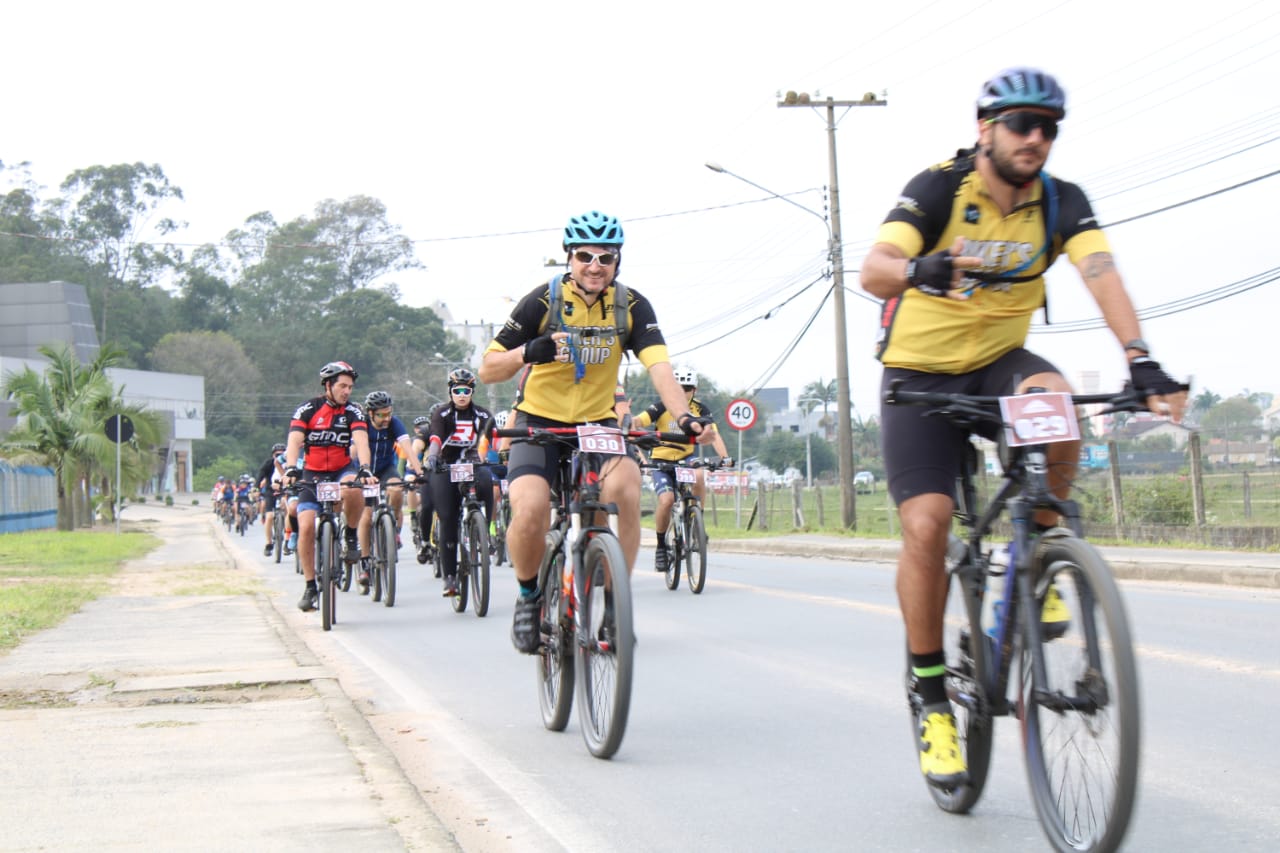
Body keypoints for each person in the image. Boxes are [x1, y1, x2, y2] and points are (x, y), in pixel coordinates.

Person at [859, 67, 1188, 789]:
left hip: (1000, 362)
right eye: (1022, 124)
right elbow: (874, 269)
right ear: (986, 130)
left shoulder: (1061, 201)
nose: (1036, 137)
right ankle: (932, 696)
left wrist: (1141, 360)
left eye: (1049, 127)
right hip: (918, 376)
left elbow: (1101, 272)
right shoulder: (940, 186)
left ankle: (1040, 557)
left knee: (1060, 402)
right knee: (928, 524)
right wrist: (924, 266)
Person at [478, 210, 716, 655]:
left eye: (605, 257)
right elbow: (488, 369)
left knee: (625, 487)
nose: (594, 265)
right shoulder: (542, 301)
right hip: (539, 421)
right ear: (569, 259)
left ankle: (613, 605)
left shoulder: (631, 306)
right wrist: (529, 351)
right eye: (584, 255)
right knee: (529, 509)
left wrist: (684, 418)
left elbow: (660, 367)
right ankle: (529, 596)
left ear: (617, 262)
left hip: (597, 424)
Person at [283, 361, 378, 612]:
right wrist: (292, 467)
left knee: (352, 487)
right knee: (304, 526)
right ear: (328, 385)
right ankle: (310, 585)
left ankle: (350, 533)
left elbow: (361, 440)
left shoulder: (354, 412)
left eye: (350, 387)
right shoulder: (307, 409)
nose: (347, 391)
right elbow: (294, 441)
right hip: (312, 474)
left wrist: (365, 467)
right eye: (342, 386)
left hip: (341, 470)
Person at [632, 368, 731, 572]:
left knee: (699, 475)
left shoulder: (700, 410)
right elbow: (638, 422)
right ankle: (661, 546)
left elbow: (713, 434)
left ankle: (697, 523)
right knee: (667, 500)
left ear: (694, 390)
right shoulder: (660, 407)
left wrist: (724, 458)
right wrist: (633, 428)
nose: (683, 392)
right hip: (661, 461)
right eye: (679, 388)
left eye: (687, 389)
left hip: (686, 459)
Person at [423, 368, 495, 597]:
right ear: (450, 392)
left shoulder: (483, 415)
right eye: (457, 390)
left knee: (487, 482)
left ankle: (486, 531)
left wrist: (502, 454)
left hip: (472, 464)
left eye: (466, 390)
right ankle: (450, 577)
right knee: (448, 517)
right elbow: (435, 438)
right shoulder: (442, 414)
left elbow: (491, 439)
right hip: (446, 465)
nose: (462, 395)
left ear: (472, 391)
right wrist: (433, 456)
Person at [357, 390, 425, 591]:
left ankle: (392, 527)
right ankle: (365, 562)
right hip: (364, 469)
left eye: (388, 413)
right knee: (367, 516)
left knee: (396, 490)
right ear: (370, 413)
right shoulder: (361, 424)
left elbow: (408, 448)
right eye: (381, 415)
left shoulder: (394, 423)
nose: (386, 418)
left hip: (386, 468)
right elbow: (354, 450)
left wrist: (419, 472)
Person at [256, 442, 287, 556]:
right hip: (271, 491)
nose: (279, 456)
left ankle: (288, 535)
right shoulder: (268, 463)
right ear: (272, 455)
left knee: (289, 510)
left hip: (285, 491)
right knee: (269, 517)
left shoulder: (289, 463)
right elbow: (261, 474)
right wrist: (256, 486)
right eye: (276, 454)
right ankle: (269, 543)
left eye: (281, 454)